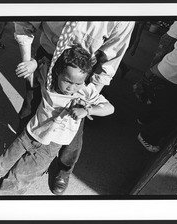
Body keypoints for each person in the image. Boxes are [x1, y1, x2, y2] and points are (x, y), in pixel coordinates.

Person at [0, 45, 114, 195]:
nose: (72, 87)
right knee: (3, 162)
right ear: (58, 73)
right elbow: (43, 61)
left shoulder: (85, 91)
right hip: (30, 133)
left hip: (50, 146)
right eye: (68, 81)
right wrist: (33, 63)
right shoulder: (49, 79)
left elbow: (110, 108)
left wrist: (87, 110)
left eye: (78, 83)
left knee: (21, 177)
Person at [14, 21, 134, 195]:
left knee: (71, 130)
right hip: (46, 59)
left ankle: (64, 169)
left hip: (80, 72)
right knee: (30, 112)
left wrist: (86, 99)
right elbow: (25, 22)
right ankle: (22, 153)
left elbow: (111, 60)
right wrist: (28, 64)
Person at [134, 32, 177, 153]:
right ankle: (147, 137)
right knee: (171, 118)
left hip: (155, 77)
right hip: (157, 83)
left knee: (171, 100)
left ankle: (144, 118)